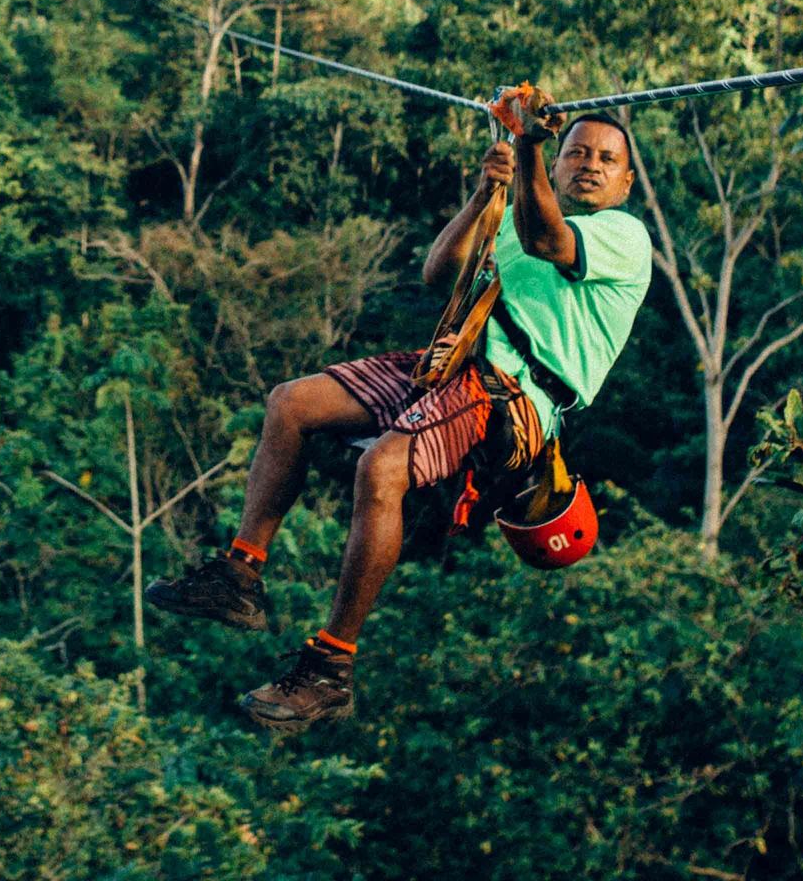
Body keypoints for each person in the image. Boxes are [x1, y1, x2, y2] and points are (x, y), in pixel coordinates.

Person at [146, 86, 652, 731]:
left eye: (606, 159)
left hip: (514, 399)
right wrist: (483, 196)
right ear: (556, 166)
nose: (589, 163)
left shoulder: (622, 236)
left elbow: (551, 240)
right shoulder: (522, 217)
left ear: (626, 182)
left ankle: (330, 667)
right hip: (451, 363)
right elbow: (440, 273)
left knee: (382, 470)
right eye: (576, 152)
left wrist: (527, 145)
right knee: (292, 404)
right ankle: (239, 573)